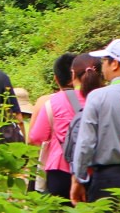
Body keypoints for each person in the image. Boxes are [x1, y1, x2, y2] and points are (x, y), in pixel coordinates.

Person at [69, 39, 120, 205]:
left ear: (115, 64)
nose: (102, 66)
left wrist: (79, 178)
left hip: (107, 180)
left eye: (104, 61)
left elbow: (86, 142)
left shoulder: (98, 96)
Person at [30, 53, 101, 204]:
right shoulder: (104, 98)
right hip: (97, 170)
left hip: (60, 170)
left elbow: (35, 138)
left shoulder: (53, 101)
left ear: (72, 74)